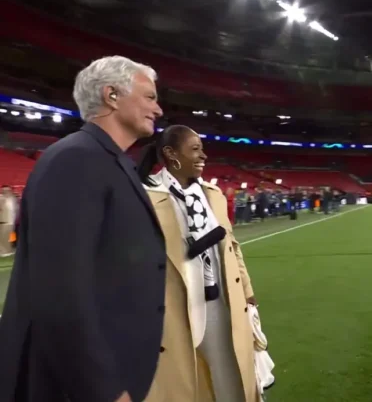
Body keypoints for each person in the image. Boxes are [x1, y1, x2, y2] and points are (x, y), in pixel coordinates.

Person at [0, 56, 166, 402]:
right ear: (112, 95)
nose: (159, 109)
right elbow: (60, 290)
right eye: (149, 97)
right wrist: (102, 388)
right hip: (73, 384)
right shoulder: (76, 159)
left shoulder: (108, 160)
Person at [136, 125, 261, 402]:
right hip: (174, 309)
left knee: (231, 381)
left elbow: (232, 246)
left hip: (219, 302)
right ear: (170, 154)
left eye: (202, 149)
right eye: (195, 149)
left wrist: (248, 292)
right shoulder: (144, 196)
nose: (203, 156)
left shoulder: (212, 194)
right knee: (184, 386)